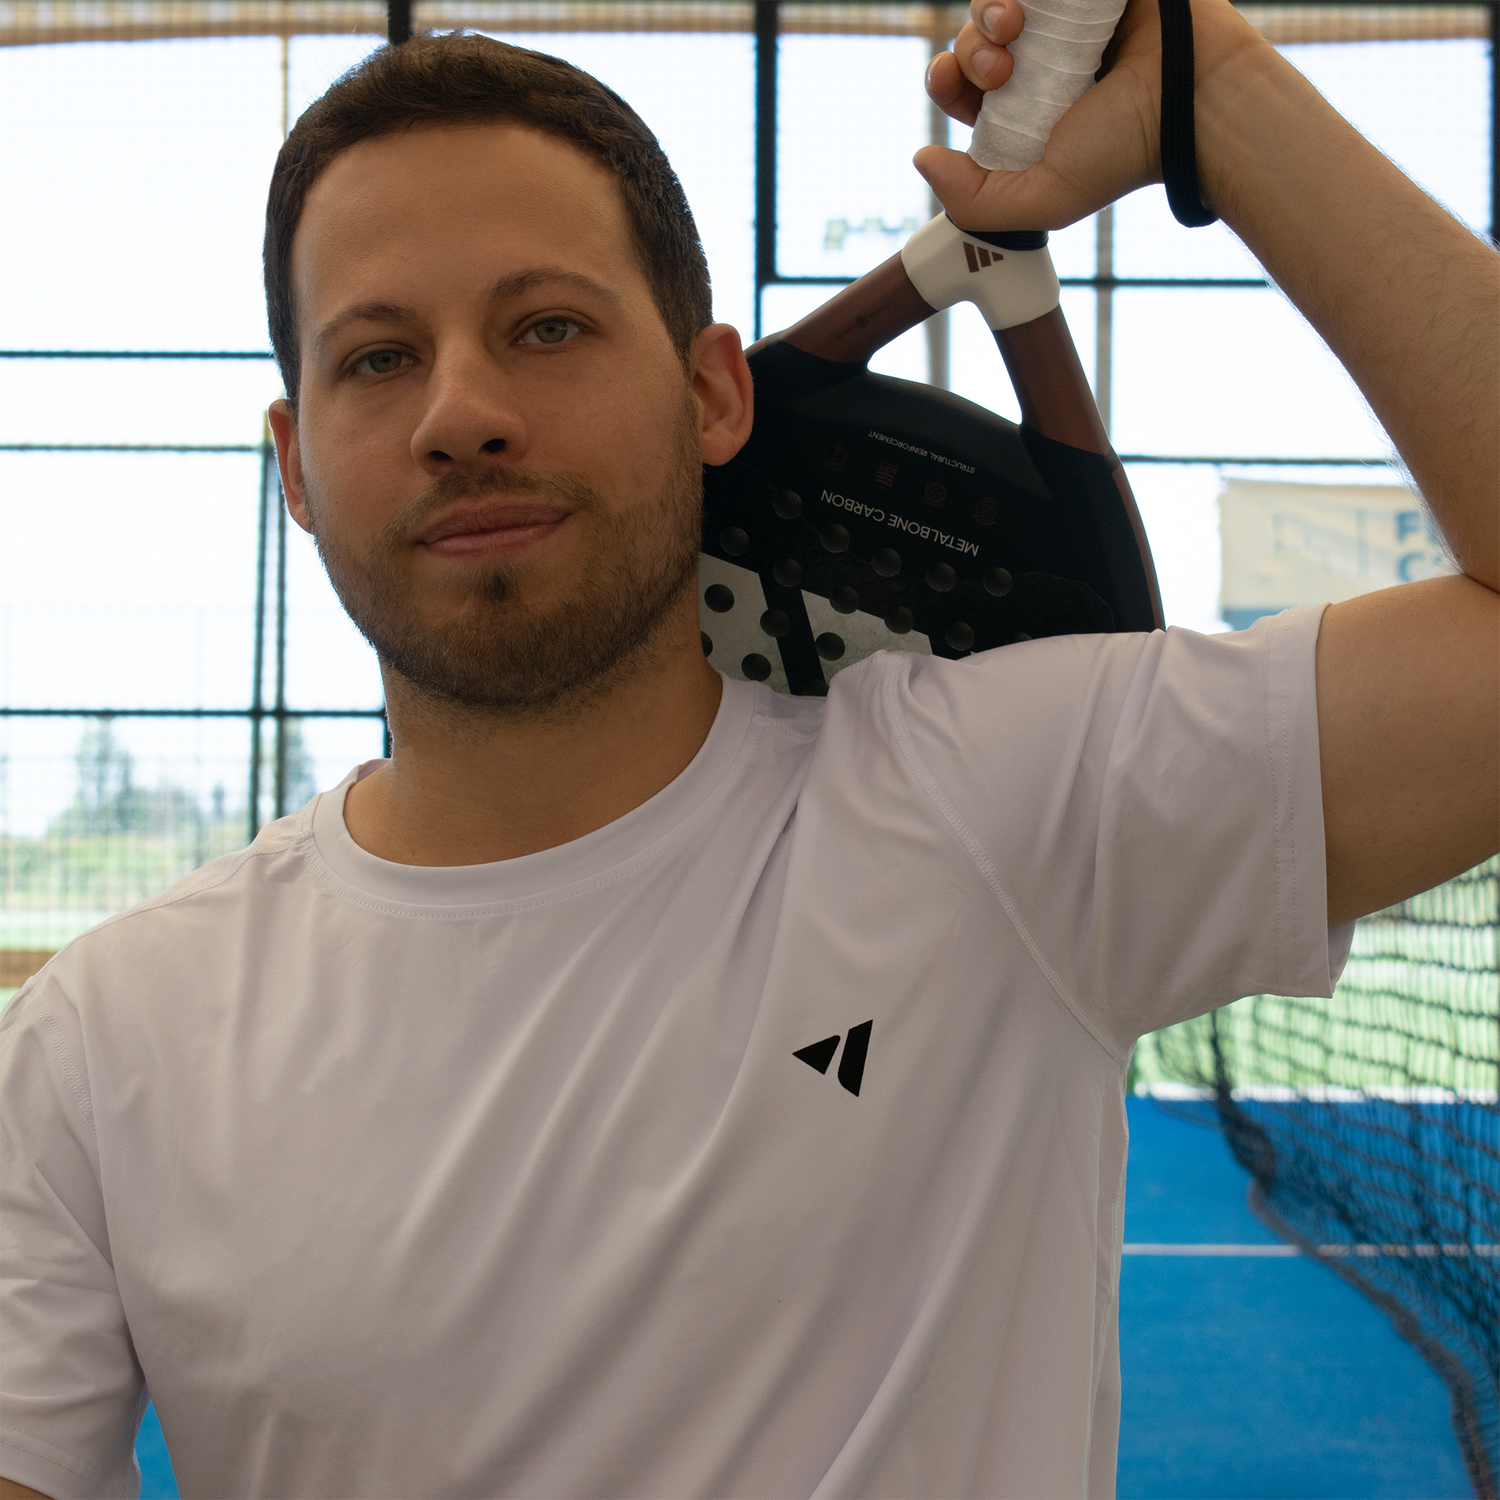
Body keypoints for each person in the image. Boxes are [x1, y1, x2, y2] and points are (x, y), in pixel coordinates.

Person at [1, 0, 1496, 1493]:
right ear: (298, 469)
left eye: (548, 327)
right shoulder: (98, 1043)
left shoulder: (1008, 808)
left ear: (714, 393)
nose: (462, 412)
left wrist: (1215, 94)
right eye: (379, 359)